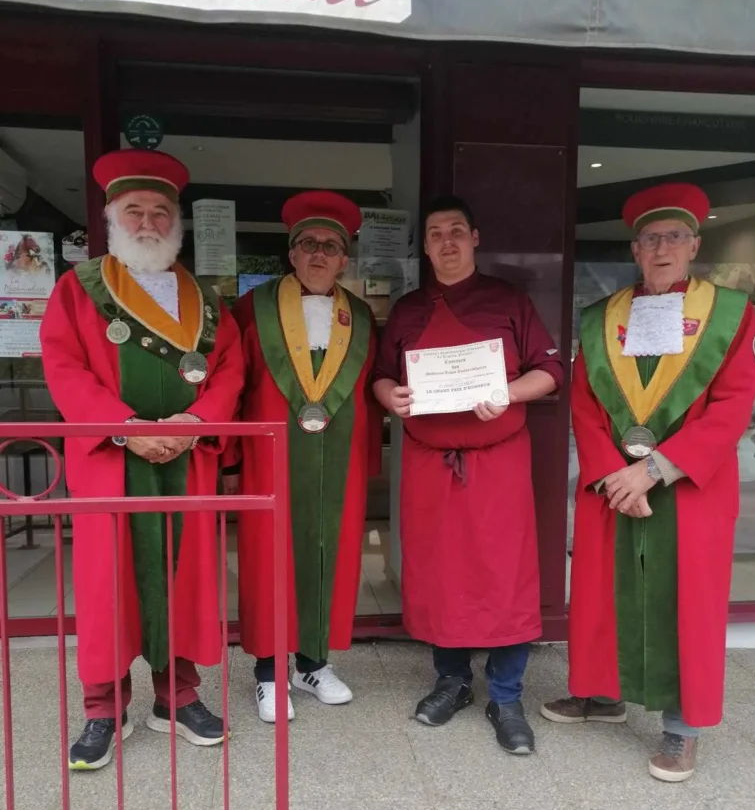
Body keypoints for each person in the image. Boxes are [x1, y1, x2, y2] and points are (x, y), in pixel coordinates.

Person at [542, 182, 755, 782]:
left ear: (694, 246)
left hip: (691, 485)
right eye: (649, 239)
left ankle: (681, 727)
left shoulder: (729, 315)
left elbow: (733, 404)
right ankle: (602, 693)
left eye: (673, 237)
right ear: (635, 250)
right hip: (614, 482)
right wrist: (617, 474)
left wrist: (655, 468)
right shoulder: (602, 318)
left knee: (685, 599)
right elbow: (585, 406)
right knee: (601, 588)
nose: (660, 249)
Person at [40, 149, 244, 771]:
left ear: (177, 222)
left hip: (189, 460)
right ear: (111, 218)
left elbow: (230, 371)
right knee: (107, 585)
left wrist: (195, 424)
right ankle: (104, 707)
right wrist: (126, 429)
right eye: (135, 211)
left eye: (161, 211)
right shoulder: (77, 289)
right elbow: (64, 368)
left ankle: (177, 699)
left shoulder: (206, 299)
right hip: (110, 460)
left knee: (185, 580)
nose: (149, 222)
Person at [372, 195, 563, 754]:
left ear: (475, 238)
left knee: (505, 573)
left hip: (498, 461)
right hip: (430, 463)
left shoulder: (508, 300)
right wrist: (394, 399)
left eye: (457, 231)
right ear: (425, 245)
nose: (447, 242)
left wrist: (507, 392)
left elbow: (549, 370)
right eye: (435, 233)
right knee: (440, 572)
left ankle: (506, 694)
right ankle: (451, 681)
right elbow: (382, 376)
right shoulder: (408, 309)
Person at [223, 191, 380, 723]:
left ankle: (312, 664)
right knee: (271, 555)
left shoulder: (358, 315)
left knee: (328, 556)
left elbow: (365, 394)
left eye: (332, 247)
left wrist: (367, 462)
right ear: (291, 253)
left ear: (344, 259)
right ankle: (269, 670)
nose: (320, 254)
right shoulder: (252, 308)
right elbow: (232, 381)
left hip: (338, 458)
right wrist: (229, 456)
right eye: (309, 244)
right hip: (270, 454)